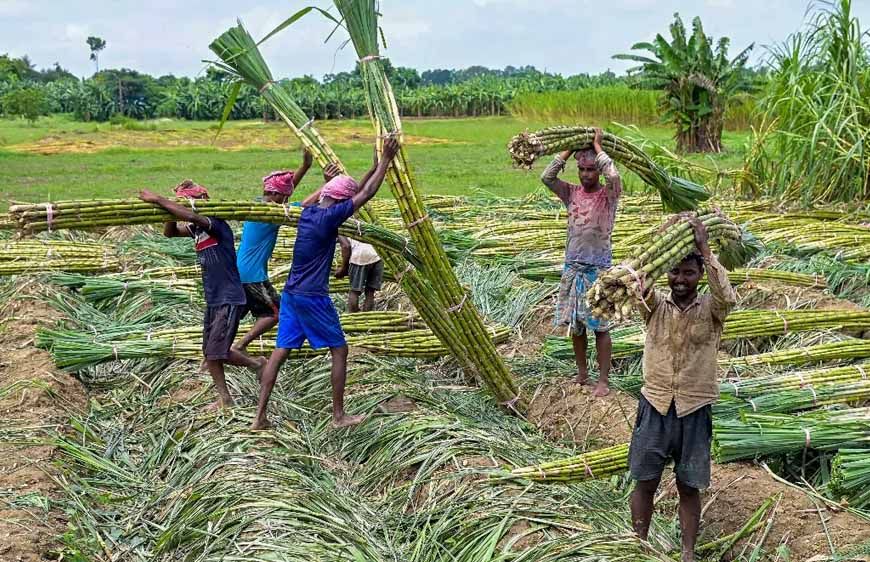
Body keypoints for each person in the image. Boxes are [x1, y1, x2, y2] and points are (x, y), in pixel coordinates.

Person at [251, 137, 401, 430]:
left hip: (292, 294)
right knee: (340, 351)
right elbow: (366, 193)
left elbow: (351, 190)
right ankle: (339, 417)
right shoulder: (330, 219)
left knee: (280, 353)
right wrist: (385, 160)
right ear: (342, 204)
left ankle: (259, 418)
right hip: (312, 297)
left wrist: (368, 168)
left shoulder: (308, 212)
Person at [628, 218, 736, 562]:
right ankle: (638, 546)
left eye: (688, 273)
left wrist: (705, 249)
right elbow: (636, 287)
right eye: (674, 273)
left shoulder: (712, 308)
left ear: (699, 275)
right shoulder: (655, 306)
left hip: (694, 407)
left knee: (689, 485)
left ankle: (687, 553)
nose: (680, 280)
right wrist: (652, 258)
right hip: (655, 404)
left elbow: (727, 295)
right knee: (645, 481)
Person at [139, 180, 265, 409]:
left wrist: (159, 200)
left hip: (228, 297)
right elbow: (170, 233)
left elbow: (195, 217)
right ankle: (226, 397)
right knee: (210, 352)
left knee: (217, 353)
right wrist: (169, 210)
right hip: (214, 297)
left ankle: (256, 365)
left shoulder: (214, 223)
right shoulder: (196, 229)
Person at [540, 127, 622, 397]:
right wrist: (568, 149)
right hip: (573, 268)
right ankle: (582, 373)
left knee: (601, 328)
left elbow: (614, 175)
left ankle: (603, 380)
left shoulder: (608, 196)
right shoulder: (572, 193)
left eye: (591, 169)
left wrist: (598, 149)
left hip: (598, 270)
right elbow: (547, 176)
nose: (586, 174)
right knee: (576, 327)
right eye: (582, 169)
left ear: (597, 170)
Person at [233, 149, 313, 352]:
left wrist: (305, 166)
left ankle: (216, 354)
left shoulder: (262, 205)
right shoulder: (270, 214)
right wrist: (329, 186)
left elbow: (285, 190)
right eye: (285, 198)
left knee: (233, 317)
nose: (286, 202)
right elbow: (303, 204)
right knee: (274, 313)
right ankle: (240, 346)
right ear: (277, 196)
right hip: (251, 275)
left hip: (241, 271)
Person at [336, 236, 383, 312]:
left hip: (360, 256)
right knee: (370, 292)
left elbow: (346, 246)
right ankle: (367, 317)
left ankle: (353, 317)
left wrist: (343, 269)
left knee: (354, 291)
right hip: (376, 255)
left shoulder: (338, 227)